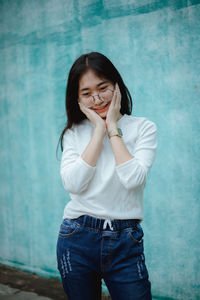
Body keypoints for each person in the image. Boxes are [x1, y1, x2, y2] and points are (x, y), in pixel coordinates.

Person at [56, 52, 157, 300]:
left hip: (126, 241)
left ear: (117, 87)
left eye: (103, 88)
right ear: (77, 98)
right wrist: (98, 131)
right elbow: (73, 184)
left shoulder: (144, 128)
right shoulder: (74, 133)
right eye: (87, 93)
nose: (97, 99)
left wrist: (112, 127)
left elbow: (133, 179)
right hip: (77, 237)